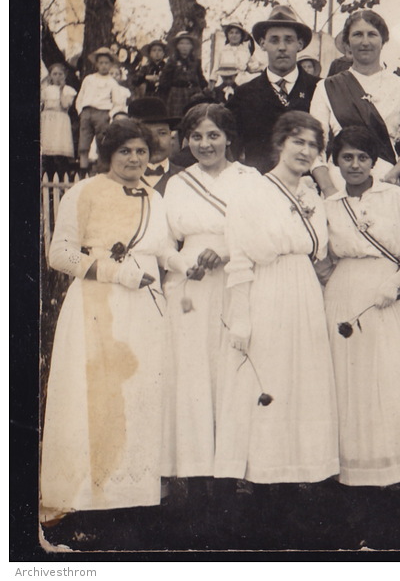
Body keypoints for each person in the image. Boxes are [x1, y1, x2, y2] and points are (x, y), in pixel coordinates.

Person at [41, 117, 171, 524]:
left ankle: (134, 494)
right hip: (99, 304)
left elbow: (163, 251)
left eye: (141, 151)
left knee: (138, 395)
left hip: (144, 308)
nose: (134, 159)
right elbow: (59, 255)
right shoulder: (84, 191)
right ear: (108, 155)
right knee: (96, 394)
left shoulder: (154, 196)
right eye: (125, 151)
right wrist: (116, 273)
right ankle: (90, 498)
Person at [215, 111, 339, 484]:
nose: (305, 151)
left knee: (302, 383)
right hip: (267, 290)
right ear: (280, 143)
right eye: (298, 141)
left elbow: (318, 252)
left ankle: (298, 476)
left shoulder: (312, 195)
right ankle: (263, 482)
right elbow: (239, 257)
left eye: (313, 145)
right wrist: (241, 317)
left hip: (303, 289)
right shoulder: (251, 191)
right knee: (269, 380)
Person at [322, 126, 400, 487]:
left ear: (374, 161)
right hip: (345, 293)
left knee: (391, 375)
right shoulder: (329, 206)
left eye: (362, 157)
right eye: (346, 158)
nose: (354, 165)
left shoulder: (396, 197)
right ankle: (352, 469)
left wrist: (395, 285)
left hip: (386, 294)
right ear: (335, 162)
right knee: (349, 378)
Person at [161, 104, 260, 480]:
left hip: (235, 279)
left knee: (232, 371)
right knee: (192, 372)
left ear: (229, 137)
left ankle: (235, 473)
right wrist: (184, 264)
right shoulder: (178, 183)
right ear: (187, 140)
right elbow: (165, 244)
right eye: (197, 136)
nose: (205, 144)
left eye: (214, 135)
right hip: (191, 286)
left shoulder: (249, 178)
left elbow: (260, 236)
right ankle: (196, 471)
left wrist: (226, 251)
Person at [309, 10, 400, 195]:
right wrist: (328, 188)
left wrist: (394, 174)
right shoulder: (326, 87)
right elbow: (314, 145)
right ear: (347, 43)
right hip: (339, 183)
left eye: (372, 34)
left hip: (386, 182)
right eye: (357, 35)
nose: (365, 42)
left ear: (383, 40)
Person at [227, 6, 320, 174]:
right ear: (263, 44)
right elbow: (230, 148)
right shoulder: (244, 94)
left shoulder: (319, 89)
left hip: (309, 189)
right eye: (274, 40)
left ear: (300, 44)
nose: (282, 47)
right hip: (260, 190)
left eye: (289, 40)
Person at [75, 47, 128, 173]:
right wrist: (81, 111)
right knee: (84, 143)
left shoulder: (112, 82)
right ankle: (83, 171)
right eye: (101, 63)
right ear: (96, 64)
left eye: (106, 63)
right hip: (87, 112)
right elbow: (80, 96)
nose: (103, 66)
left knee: (102, 142)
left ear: (110, 65)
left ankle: (101, 169)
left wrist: (109, 115)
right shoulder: (89, 79)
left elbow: (118, 102)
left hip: (102, 113)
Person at [130, 97, 182, 196]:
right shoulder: (118, 179)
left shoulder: (187, 177)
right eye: (146, 134)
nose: (155, 142)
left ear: (171, 136)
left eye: (162, 133)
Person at [159, 32, 208, 119]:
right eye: (181, 43)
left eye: (187, 43)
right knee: (177, 118)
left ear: (192, 46)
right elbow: (164, 80)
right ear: (177, 46)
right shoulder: (172, 61)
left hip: (194, 93)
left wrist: (205, 88)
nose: (184, 46)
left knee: (194, 117)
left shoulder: (196, 61)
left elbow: (200, 78)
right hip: (177, 94)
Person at [41, 62, 78, 176]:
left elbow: (65, 105)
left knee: (60, 151)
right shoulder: (46, 90)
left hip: (60, 120)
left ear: (65, 75)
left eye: (60, 74)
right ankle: (48, 176)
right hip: (48, 120)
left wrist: (61, 90)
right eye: (55, 74)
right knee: (47, 151)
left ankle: (62, 176)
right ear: (50, 76)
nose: (57, 77)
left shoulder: (68, 90)